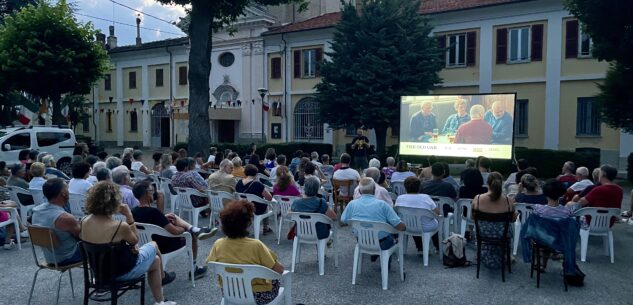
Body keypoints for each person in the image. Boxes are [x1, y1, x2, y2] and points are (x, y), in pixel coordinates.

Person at [79, 181, 177, 305]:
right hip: (120, 273)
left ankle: (161, 300)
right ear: (115, 202)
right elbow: (136, 240)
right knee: (153, 245)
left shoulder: (84, 221)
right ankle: (161, 288)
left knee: (156, 260)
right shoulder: (119, 226)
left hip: (99, 273)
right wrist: (129, 216)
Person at [131, 181, 216, 280]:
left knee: (172, 216)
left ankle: (195, 229)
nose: (153, 193)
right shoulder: (154, 212)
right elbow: (175, 231)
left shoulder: (133, 211)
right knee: (190, 235)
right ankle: (194, 267)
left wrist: (163, 218)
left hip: (146, 244)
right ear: (146, 194)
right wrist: (183, 228)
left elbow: (151, 221)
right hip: (164, 246)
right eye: (151, 191)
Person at [207, 200, 284, 304]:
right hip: (258, 296)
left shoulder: (218, 244)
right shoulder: (256, 245)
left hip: (229, 293)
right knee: (276, 279)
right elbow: (279, 270)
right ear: (247, 223)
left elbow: (211, 263)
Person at [342, 178, 406, 257]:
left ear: (359, 191)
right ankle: (385, 263)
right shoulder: (382, 204)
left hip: (361, 241)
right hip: (382, 243)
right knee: (392, 237)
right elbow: (398, 225)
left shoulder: (352, 204)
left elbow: (343, 220)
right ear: (374, 190)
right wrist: (404, 227)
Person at [31, 178, 81, 265]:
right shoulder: (64, 218)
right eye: (67, 189)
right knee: (101, 245)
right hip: (67, 257)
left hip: (50, 257)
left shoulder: (36, 211)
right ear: (63, 192)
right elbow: (82, 236)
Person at [471, 172, 516, 269]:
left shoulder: (478, 198)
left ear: (487, 184)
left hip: (483, 233)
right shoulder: (508, 201)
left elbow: (472, 217)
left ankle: (480, 253)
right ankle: (507, 255)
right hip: (502, 234)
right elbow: (512, 220)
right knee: (509, 228)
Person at [395, 176, 440, 252]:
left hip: (407, 226)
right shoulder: (425, 197)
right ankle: (437, 246)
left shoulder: (400, 198)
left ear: (405, 187)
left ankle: (419, 246)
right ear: (419, 187)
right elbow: (438, 213)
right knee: (434, 222)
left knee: (412, 221)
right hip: (426, 227)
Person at [235, 164, 274, 234]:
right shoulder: (258, 184)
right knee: (266, 205)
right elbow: (269, 198)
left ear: (245, 173)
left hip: (243, 207)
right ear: (256, 174)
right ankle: (266, 227)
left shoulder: (239, 183)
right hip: (256, 209)